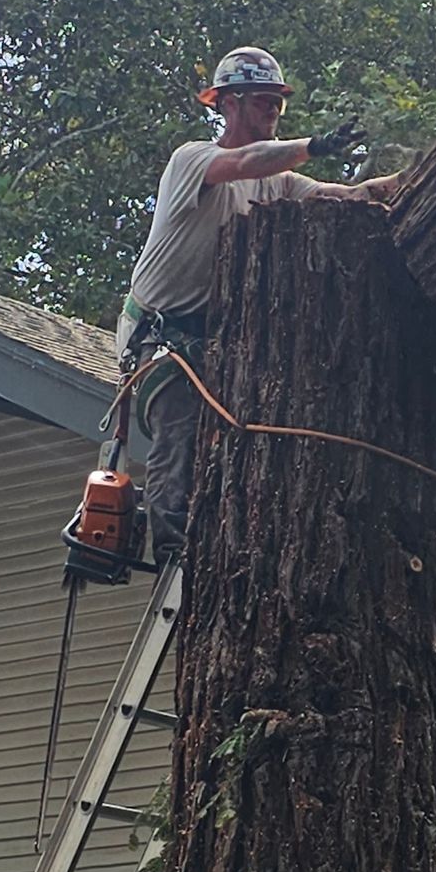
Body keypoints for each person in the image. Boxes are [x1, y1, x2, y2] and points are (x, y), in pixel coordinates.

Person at [116, 47, 390, 564]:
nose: (272, 114)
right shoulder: (193, 160)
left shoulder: (278, 182)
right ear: (229, 104)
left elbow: (345, 198)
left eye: (278, 107)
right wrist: (312, 144)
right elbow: (241, 162)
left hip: (213, 340)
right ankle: (174, 550)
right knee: (180, 424)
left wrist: (409, 184)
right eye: (265, 103)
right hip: (160, 338)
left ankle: (226, 543)